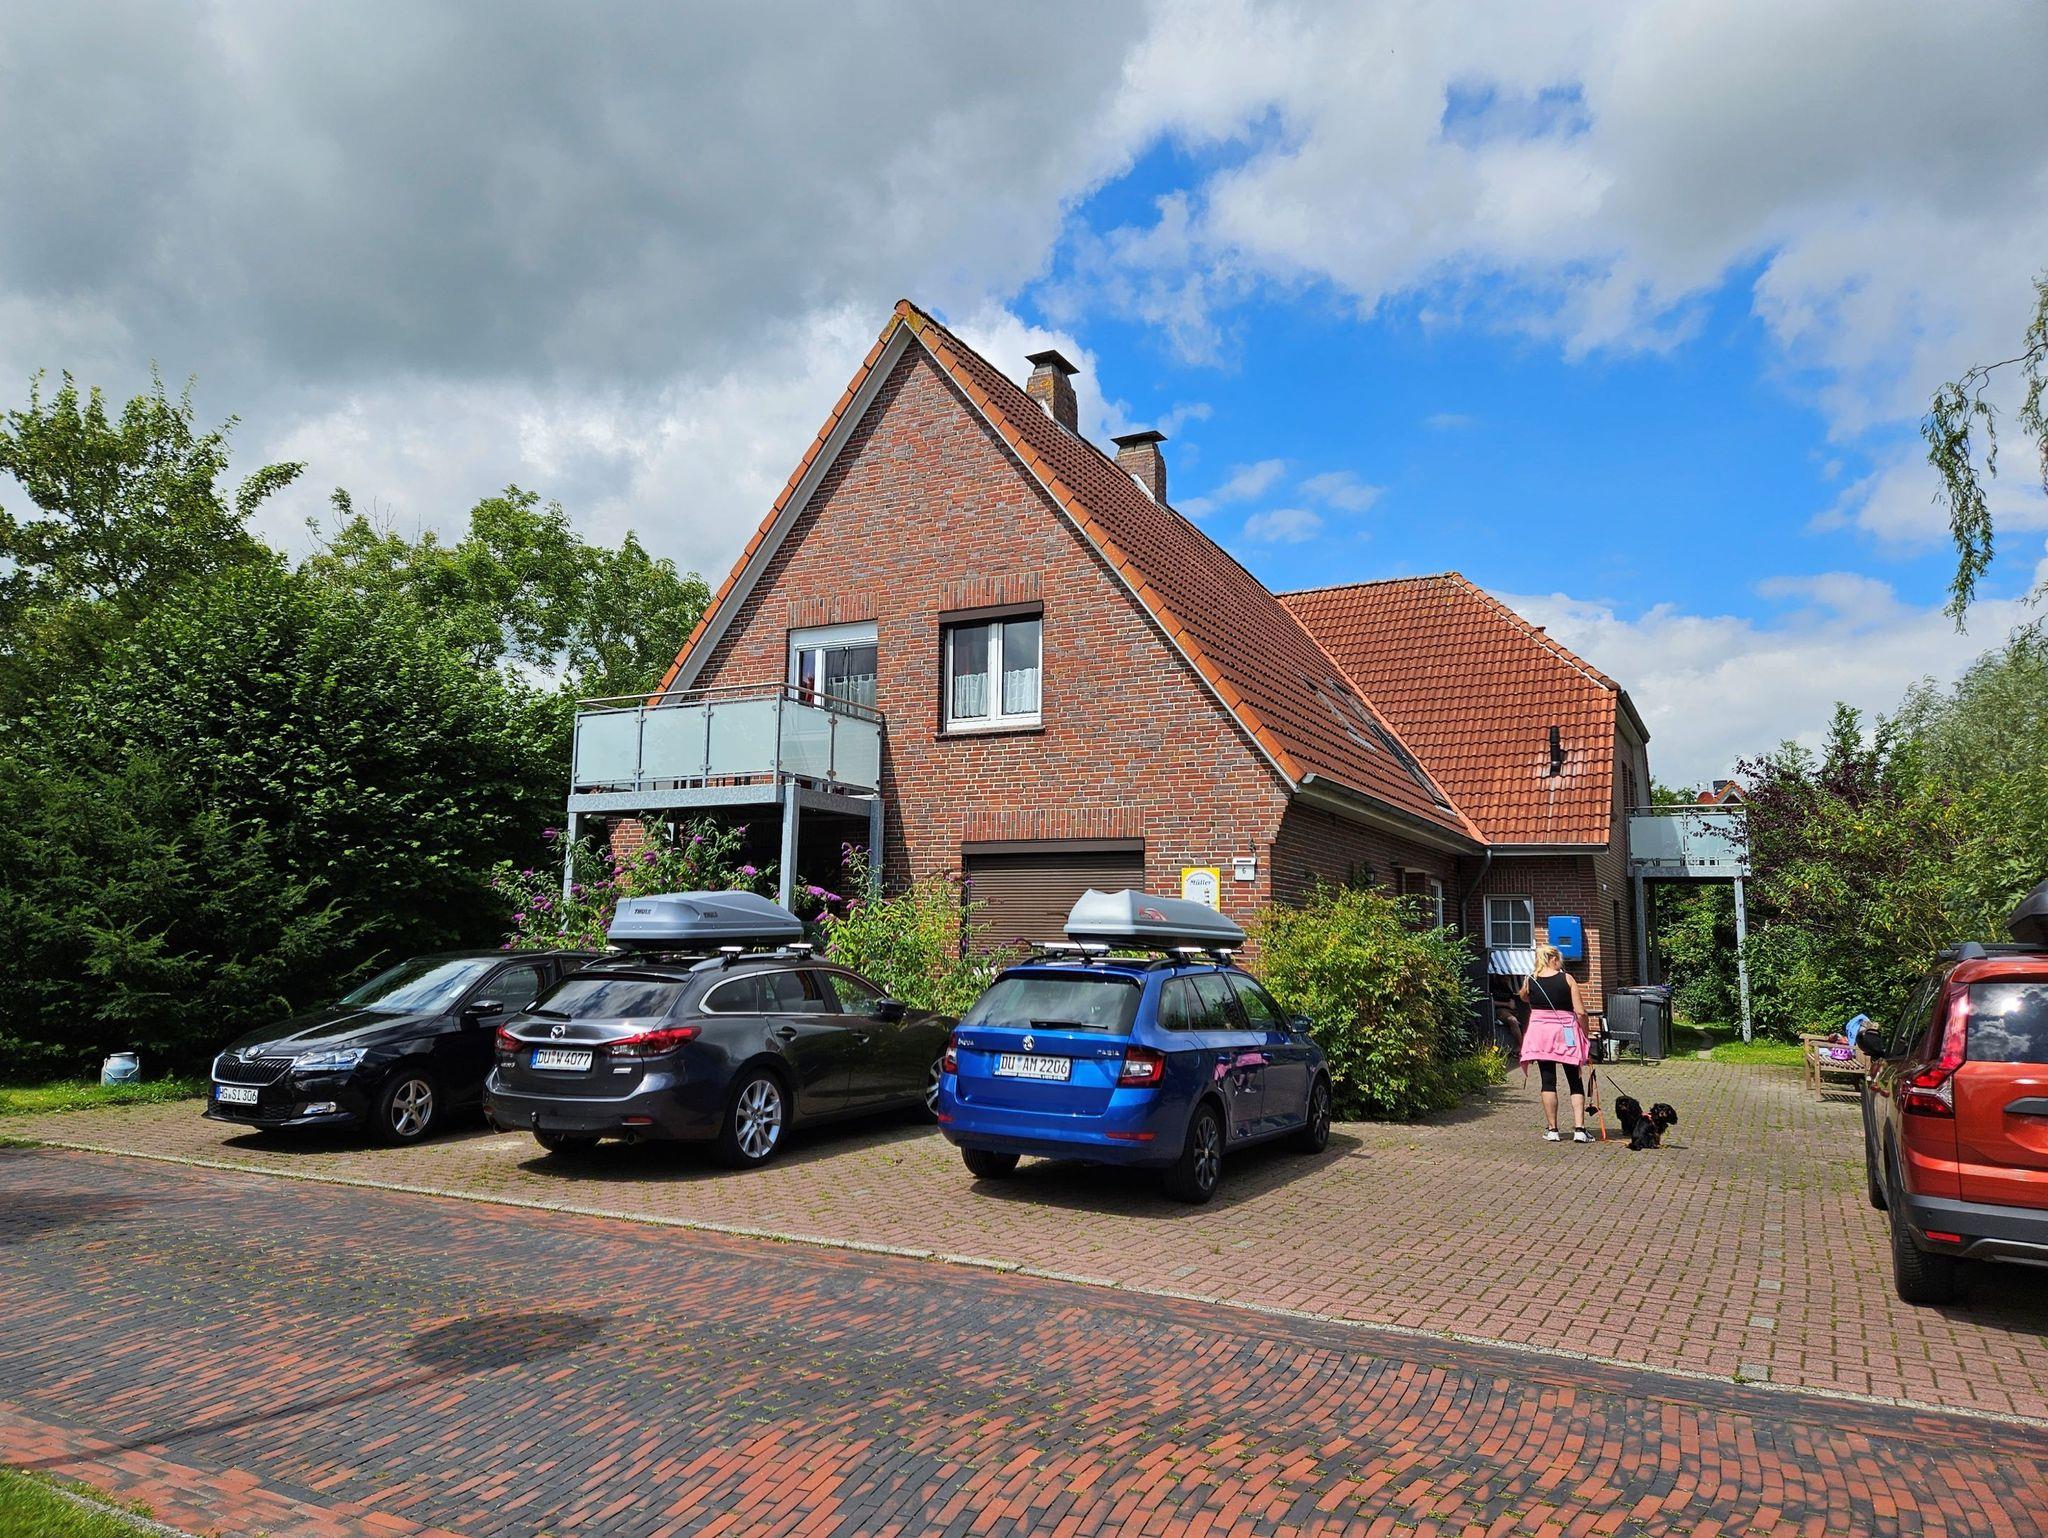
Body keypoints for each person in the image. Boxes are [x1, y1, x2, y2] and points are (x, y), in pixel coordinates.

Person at [1518, 944, 1594, 1143]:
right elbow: (1580, 1012)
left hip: (1541, 1034)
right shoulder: (1567, 979)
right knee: (1574, 1080)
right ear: (1553, 959)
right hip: (1565, 1032)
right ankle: (1580, 1129)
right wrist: (1585, 1034)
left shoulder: (1530, 980)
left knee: (1548, 1080)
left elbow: (1523, 997)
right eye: (1559, 960)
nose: (1561, 963)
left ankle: (1553, 1130)